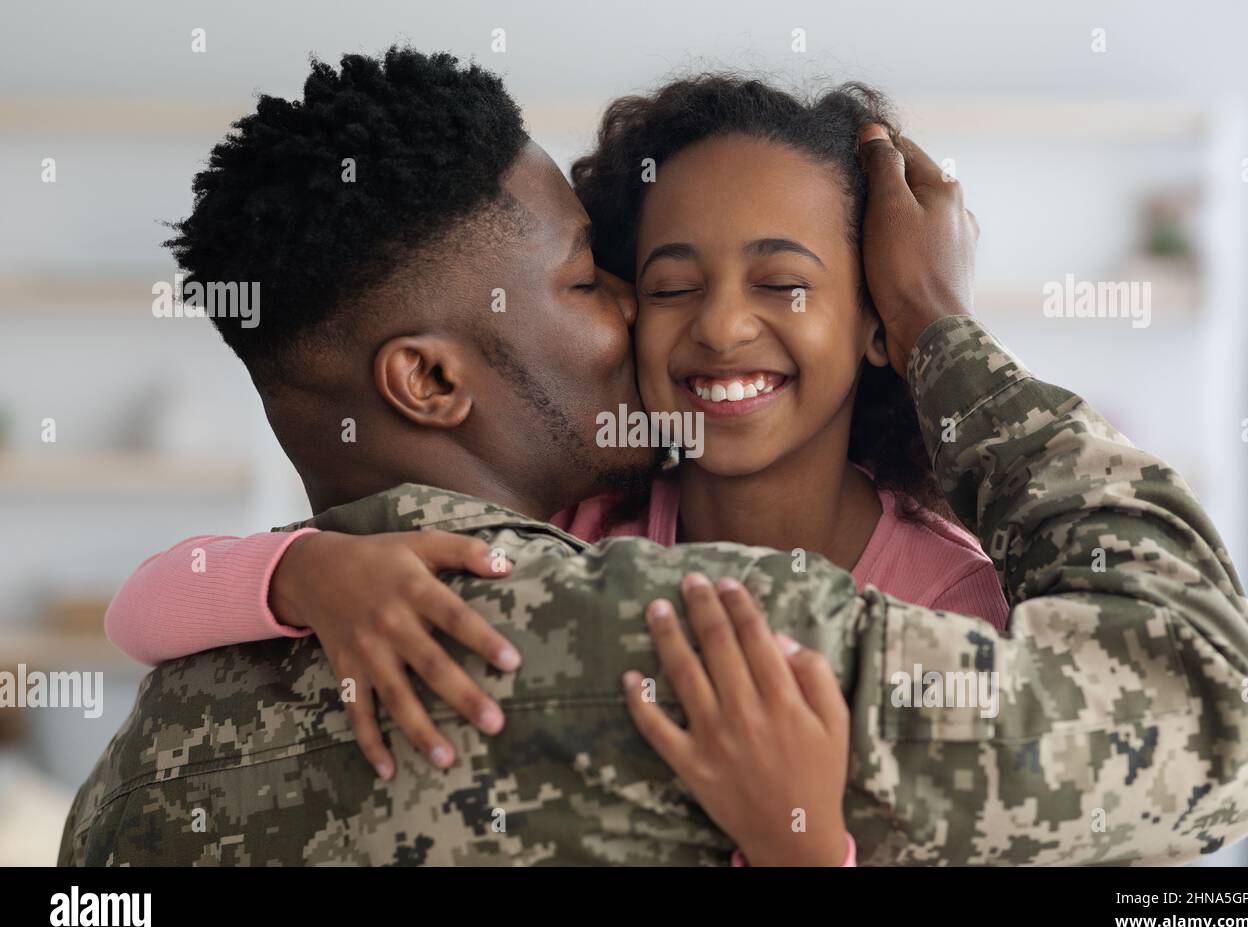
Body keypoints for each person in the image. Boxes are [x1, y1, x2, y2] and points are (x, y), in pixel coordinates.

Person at [60, 48, 1248, 866]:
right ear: (430, 378)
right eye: (607, 281)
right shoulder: (722, 646)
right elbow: (1218, 719)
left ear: (861, 318)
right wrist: (948, 339)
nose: (704, 326)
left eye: (784, 280)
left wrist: (300, 574)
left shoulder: (127, 790)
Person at [101, 75, 1009, 781]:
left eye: (784, 284)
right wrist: (302, 571)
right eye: (668, 286)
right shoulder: (570, 529)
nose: (723, 326)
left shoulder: (958, 601)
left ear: (879, 324)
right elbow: (141, 608)